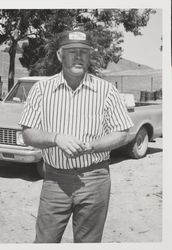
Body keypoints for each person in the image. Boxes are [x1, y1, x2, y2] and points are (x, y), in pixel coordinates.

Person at [19, 30, 134, 243]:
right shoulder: (41, 89)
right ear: (60, 56)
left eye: (84, 52)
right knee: (45, 241)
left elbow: (122, 133)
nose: (78, 56)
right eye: (72, 51)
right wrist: (56, 138)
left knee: (88, 243)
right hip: (55, 179)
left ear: (90, 57)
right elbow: (28, 134)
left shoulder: (106, 91)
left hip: (95, 178)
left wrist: (91, 146)